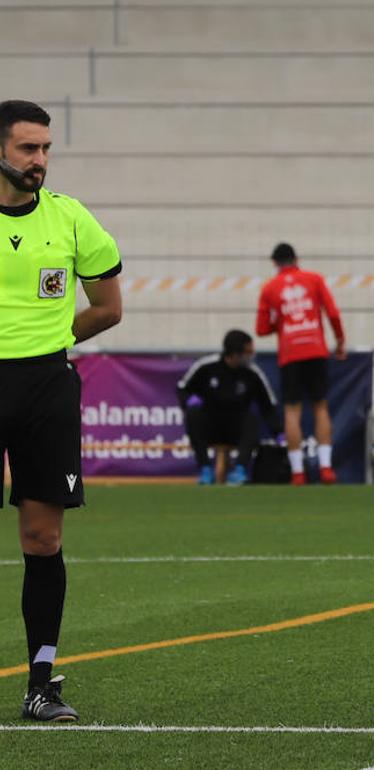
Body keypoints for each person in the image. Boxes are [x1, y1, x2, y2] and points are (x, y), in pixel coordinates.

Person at [0, 99, 123, 722]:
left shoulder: (70, 219)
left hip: (48, 385)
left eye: (46, 149)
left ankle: (41, 684)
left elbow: (107, 305)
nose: (40, 161)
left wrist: (47, 340)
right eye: (28, 148)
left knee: (42, 538)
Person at [255, 242, 345, 485]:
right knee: (320, 406)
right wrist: (340, 341)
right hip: (315, 348)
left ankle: (297, 472)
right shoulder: (314, 279)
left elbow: (261, 329)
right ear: (296, 258)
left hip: (290, 353)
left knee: (292, 411)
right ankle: (326, 468)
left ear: (274, 263)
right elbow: (333, 313)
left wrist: (282, 323)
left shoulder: (269, 287)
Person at [177, 330, 281, 486]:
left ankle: (239, 470)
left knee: (251, 418)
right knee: (193, 414)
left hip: (236, 429)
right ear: (235, 353)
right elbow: (182, 388)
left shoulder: (252, 373)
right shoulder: (207, 367)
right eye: (248, 352)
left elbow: (267, 405)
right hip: (210, 427)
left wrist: (278, 432)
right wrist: (188, 400)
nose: (251, 356)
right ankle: (205, 469)